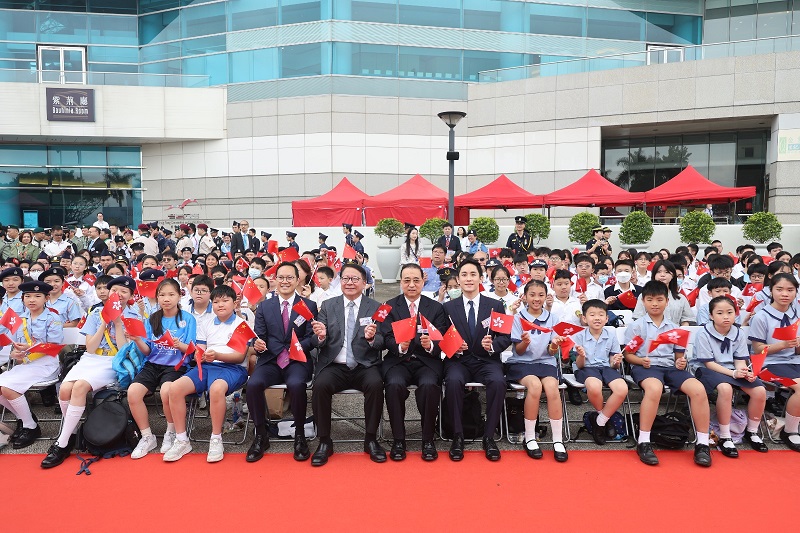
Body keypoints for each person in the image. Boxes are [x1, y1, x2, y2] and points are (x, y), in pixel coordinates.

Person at [41, 276, 141, 468]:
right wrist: (104, 321)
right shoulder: (96, 313)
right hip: (92, 359)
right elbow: (90, 348)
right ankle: (72, 432)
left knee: (79, 387)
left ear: (130, 295)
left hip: (114, 361)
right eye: (114, 290)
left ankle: (61, 444)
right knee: (63, 390)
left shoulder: (134, 315)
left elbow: (123, 351)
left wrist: (118, 323)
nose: (118, 295)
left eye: (124, 292)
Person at [624, 280, 711, 467]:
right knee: (654, 389)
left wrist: (681, 361)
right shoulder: (637, 326)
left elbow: (679, 357)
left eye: (659, 299)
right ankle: (644, 441)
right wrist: (640, 360)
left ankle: (703, 443)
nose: (654, 303)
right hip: (645, 367)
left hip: (670, 368)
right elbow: (629, 356)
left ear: (667, 301)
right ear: (643, 301)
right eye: (650, 300)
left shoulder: (675, 328)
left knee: (698, 389)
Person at [309, 263, 386, 466]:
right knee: (320, 386)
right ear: (340, 281)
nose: (350, 283)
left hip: (364, 365)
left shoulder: (375, 307)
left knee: (376, 385)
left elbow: (382, 342)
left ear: (364, 283)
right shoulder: (328, 305)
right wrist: (321, 337)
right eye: (345, 279)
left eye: (355, 279)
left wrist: (372, 339)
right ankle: (324, 441)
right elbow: (318, 340)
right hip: (335, 365)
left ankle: (371, 439)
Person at [164, 285, 251, 463]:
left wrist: (217, 355)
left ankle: (216, 438)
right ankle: (181, 440)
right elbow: (200, 349)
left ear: (234, 303)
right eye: (216, 301)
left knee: (217, 388)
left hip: (233, 369)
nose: (220, 305)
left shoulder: (242, 325)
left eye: (225, 300)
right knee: (175, 388)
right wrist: (199, 355)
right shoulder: (206, 322)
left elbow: (240, 356)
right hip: (207, 366)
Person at [247, 262, 317, 463]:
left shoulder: (307, 305)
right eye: (281, 278)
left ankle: (300, 436)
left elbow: (312, 337)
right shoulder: (264, 306)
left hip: (298, 360)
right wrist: (258, 343)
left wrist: (294, 349)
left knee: (297, 385)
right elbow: (259, 336)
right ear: (274, 280)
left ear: (297, 280)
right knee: (253, 385)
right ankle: (261, 434)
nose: (285, 281)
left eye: (290, 278)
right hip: (270, 360)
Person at [442, 259, 511, 461]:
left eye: (473, 274)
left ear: (481, 278)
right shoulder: (448, 307)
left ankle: (489, 436)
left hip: (487, 361)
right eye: (464, 274)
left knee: (499, 382)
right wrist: (454, 346)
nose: (469, 278)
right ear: (459, 279)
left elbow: (505, 337)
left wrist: (493, 346)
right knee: (453, 382)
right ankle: (457, 435)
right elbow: (441, 338)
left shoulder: (495, 305)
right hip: (459, 361)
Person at [380, 264, 449, 461]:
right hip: (398, 361)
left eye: (416, 280)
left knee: (429, 386)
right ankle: (398, 439)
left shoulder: (435, 307)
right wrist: (399, 346)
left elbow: (441, 336)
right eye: (407, 280)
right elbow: (385, 336)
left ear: (423, 281)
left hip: (426, 361)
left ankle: (428, 439)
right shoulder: (390, 306)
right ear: (400, 282)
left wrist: (429, 345)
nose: (411, 285)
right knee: (393, 385)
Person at [127, 278, 197, 459]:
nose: (166, 299)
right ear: (157, 297)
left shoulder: (188, 319)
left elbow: (191, 350)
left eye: (171, 294)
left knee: (167, 391)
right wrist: (137, 340)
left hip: (176, 366)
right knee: (133, 392)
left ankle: (171, 431)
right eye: (162, 295)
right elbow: (147, 350)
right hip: (153, 364)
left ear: (179, 296)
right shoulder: (153, 319)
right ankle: (147, 437)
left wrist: (179, 345)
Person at [692, 296, 768, 457]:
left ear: (736, 313)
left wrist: (744, 372)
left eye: (730, 312)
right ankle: (726, 435)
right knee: (725, 389)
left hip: (731, 369)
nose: (726, 316)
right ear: (711, 315)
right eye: (720, 313)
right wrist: (734, 373)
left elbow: (740, 360)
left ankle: (752, 432)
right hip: (707, 369)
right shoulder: (703, 333)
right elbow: (709, 364)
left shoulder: (738, 332)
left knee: (760, 390)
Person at [509, 279, 568, 461]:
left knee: (552, 388)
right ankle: (530, 437)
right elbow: (518, 350)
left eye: (541, 295)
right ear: (525, 297)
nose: (536, 299)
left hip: (545, 362)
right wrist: (525, 342)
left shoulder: (553, 319)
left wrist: (555, 345)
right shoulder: (518, 318)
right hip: (521, 363)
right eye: (532, 295)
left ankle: (558, 440)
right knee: (534, 386)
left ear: (546, 297)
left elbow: (551, 351)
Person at [0, 280, 64, 449]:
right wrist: (14, 353)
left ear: (46, 298)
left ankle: (31, 427)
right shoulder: (20, 319)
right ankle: (25, 418)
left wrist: (29, 348)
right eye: (27, 296)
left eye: (37, 296)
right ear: (23, 299)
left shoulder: (52, 317)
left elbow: (54, 346)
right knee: (1, 386)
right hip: (26, 364)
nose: (32, 300)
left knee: (7, 387)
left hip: (46, 365)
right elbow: (13, 345)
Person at [748, 273, 800, 452]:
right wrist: (782, 345)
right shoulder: (762, 316)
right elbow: (757, 349)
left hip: (795, 361)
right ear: (771, 291)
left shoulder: (797, 314)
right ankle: (790, 431)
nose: (785, 294)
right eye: (779, 289)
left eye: (790, 290)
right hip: (768, 364)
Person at [573, 299, 627, 445]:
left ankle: (600, 422)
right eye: (592, 315)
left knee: (622, 389)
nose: (597, 318)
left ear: (607, 318)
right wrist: (581, 356)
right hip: (586, 368)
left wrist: (616, 361)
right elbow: (579, 364)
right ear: (584, 318)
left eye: (601, 314)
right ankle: (604, 419)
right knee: (594, 386)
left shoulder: (611, 334)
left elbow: (613, 365)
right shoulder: (579, 336)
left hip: (606, 368)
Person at [632, 260, 694, 325]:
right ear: (654, 275)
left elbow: (687, 319)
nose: (662, 275)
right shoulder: (644, 296)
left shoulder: (680, 298)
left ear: (672, 275)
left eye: (666, 272)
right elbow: (638, 318)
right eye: (659, 272)